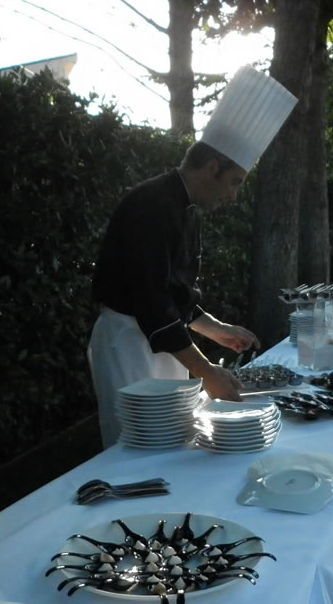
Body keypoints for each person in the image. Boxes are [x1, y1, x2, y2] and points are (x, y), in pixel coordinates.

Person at [88, 66, 296, 449]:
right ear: (213, 167)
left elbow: (177, 297)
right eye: (235, 183)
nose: (234, 196)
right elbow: (152, 304)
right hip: (127, 347)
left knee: (176, 442)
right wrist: (207, 372)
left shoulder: (188, 208)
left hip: (165, 346)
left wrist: (216, 328)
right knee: (134, 449)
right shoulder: (149, 205)